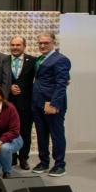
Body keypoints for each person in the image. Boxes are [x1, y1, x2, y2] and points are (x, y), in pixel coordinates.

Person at [32, 32, 71, 177]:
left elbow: (62, 84)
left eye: (46, 43)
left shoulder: (61, 59)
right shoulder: (40, 59)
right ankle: (43, 162)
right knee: (41, 134)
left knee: (56, 134)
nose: (42, 45)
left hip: (52, 104)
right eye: (40, 43)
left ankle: (60, 164)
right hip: (37, 103)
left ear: (53, 42)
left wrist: (54, 103)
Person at [0, 36, 35, 170]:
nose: (15, 47)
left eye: (18, 45)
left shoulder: (32, 61)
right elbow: (0, 79)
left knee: (25, 132)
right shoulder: (4, 60)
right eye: (12, 45)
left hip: (26, 104)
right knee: (9, 132)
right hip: (8, 104)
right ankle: (12, 158)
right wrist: (8, 88)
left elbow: (40, 78)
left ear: (24, 46)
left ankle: (23, 159)